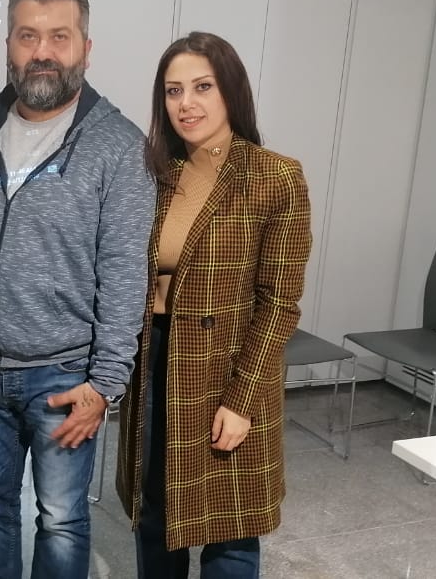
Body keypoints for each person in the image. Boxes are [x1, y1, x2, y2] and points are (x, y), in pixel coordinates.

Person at [0, 0, 155, 579]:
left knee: (61, 518)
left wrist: (105, 387)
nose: (42, 51)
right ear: (8, 45)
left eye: (59, 37)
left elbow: (125, 272)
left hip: (65, 375)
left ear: (85, 48)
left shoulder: (118, 145)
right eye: (28, 36)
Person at [115, 31, 312, 578]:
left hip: (227, 365)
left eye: (202, 87)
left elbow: (279, 303)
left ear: (231, 90)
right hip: (153, 359)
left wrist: (242, 399)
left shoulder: (274, 176)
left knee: (230, 528)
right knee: (155, 514)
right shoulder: (154, 170)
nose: (187, 103)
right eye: (173, 90)